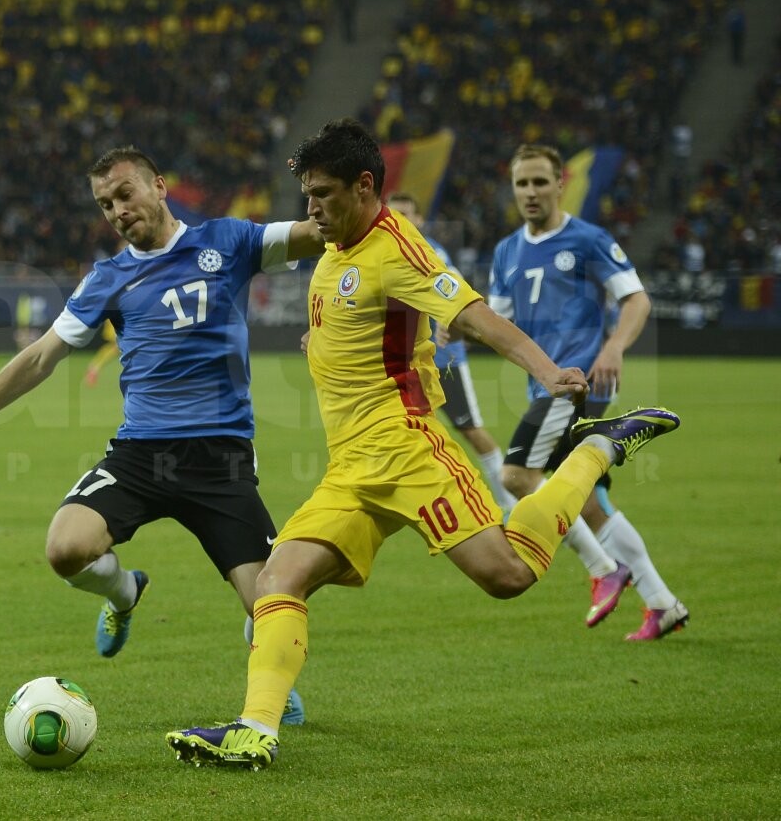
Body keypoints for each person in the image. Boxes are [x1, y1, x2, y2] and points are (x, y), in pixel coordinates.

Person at [165, 118, 680, 770]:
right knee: (278, 579)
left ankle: (597, 450)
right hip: (351, 467)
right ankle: (254, 731)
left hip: (408, 452)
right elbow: (366, 326)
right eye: (306, 197)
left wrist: (548, 372)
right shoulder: (334, 245)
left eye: (322, 194)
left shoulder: (397, 249)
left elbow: (472, 314)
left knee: (508, 575)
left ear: (364, 186)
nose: (311, 209)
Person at [0, 145, 326, 723]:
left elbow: (322, 232)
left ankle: (270, 677)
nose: (115, 210)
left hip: (220, 459)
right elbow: (41, 357)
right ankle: (124, 594)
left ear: (159, 186)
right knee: (65, 548)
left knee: (274, 604)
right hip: (141, 454)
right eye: (104, 203)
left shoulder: (230, 241)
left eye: (124, 193)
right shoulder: (107, 277)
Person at [491, 143, 688, 641]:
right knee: (586, 502)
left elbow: (636, 299)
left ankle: (603, 568)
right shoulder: (506, 252)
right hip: (542, 385)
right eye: (522, 183)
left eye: (540, 182)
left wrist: (615, 347)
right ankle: (662, 603)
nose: (530, 192)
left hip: (576, 385)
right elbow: (495, 323)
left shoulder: (586, 239)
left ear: (560, 184)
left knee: (516, 474)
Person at [385, 192, 518, 515]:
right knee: (402, 431)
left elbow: (459, 291)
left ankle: (509, 502)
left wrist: (452, 321)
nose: (401, 221)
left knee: (470, 429)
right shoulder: (384, 252)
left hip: (445, 360)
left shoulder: (432, 251)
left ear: (419, 220)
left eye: (407, 214)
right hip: (408, 365)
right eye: (394, 215)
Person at [83, 319, 120, 387]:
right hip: (118, 317)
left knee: (115, 346)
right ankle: (95, 368)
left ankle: (93, 366)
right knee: (117, 346)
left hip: (120, 316)